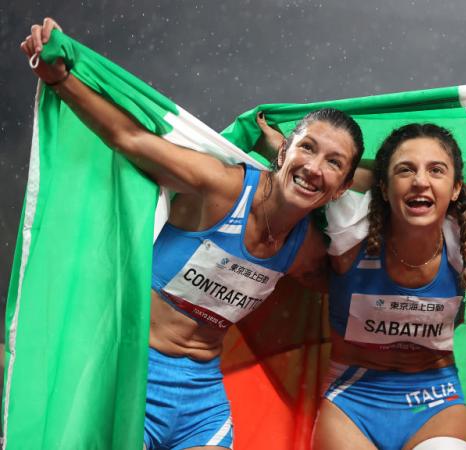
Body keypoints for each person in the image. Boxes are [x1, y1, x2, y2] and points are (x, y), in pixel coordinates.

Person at [21, 18, 364, 450]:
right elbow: (129, 138)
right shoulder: (220, 188)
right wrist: (61, 79)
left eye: (334, 163)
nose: (314, 168)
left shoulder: (308, 251)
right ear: (284, 151)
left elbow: (361, 291)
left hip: (202, 396)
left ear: (345, 186)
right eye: (307, 148)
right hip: (136, 375)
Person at [312, 124, 466, 450]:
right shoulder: (348, 237)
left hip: (434, 401)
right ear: (383, 190)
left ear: (457, 188)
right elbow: (315, 176)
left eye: (436, 170)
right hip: (353, 401)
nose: (420, 181)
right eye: (405, 170)